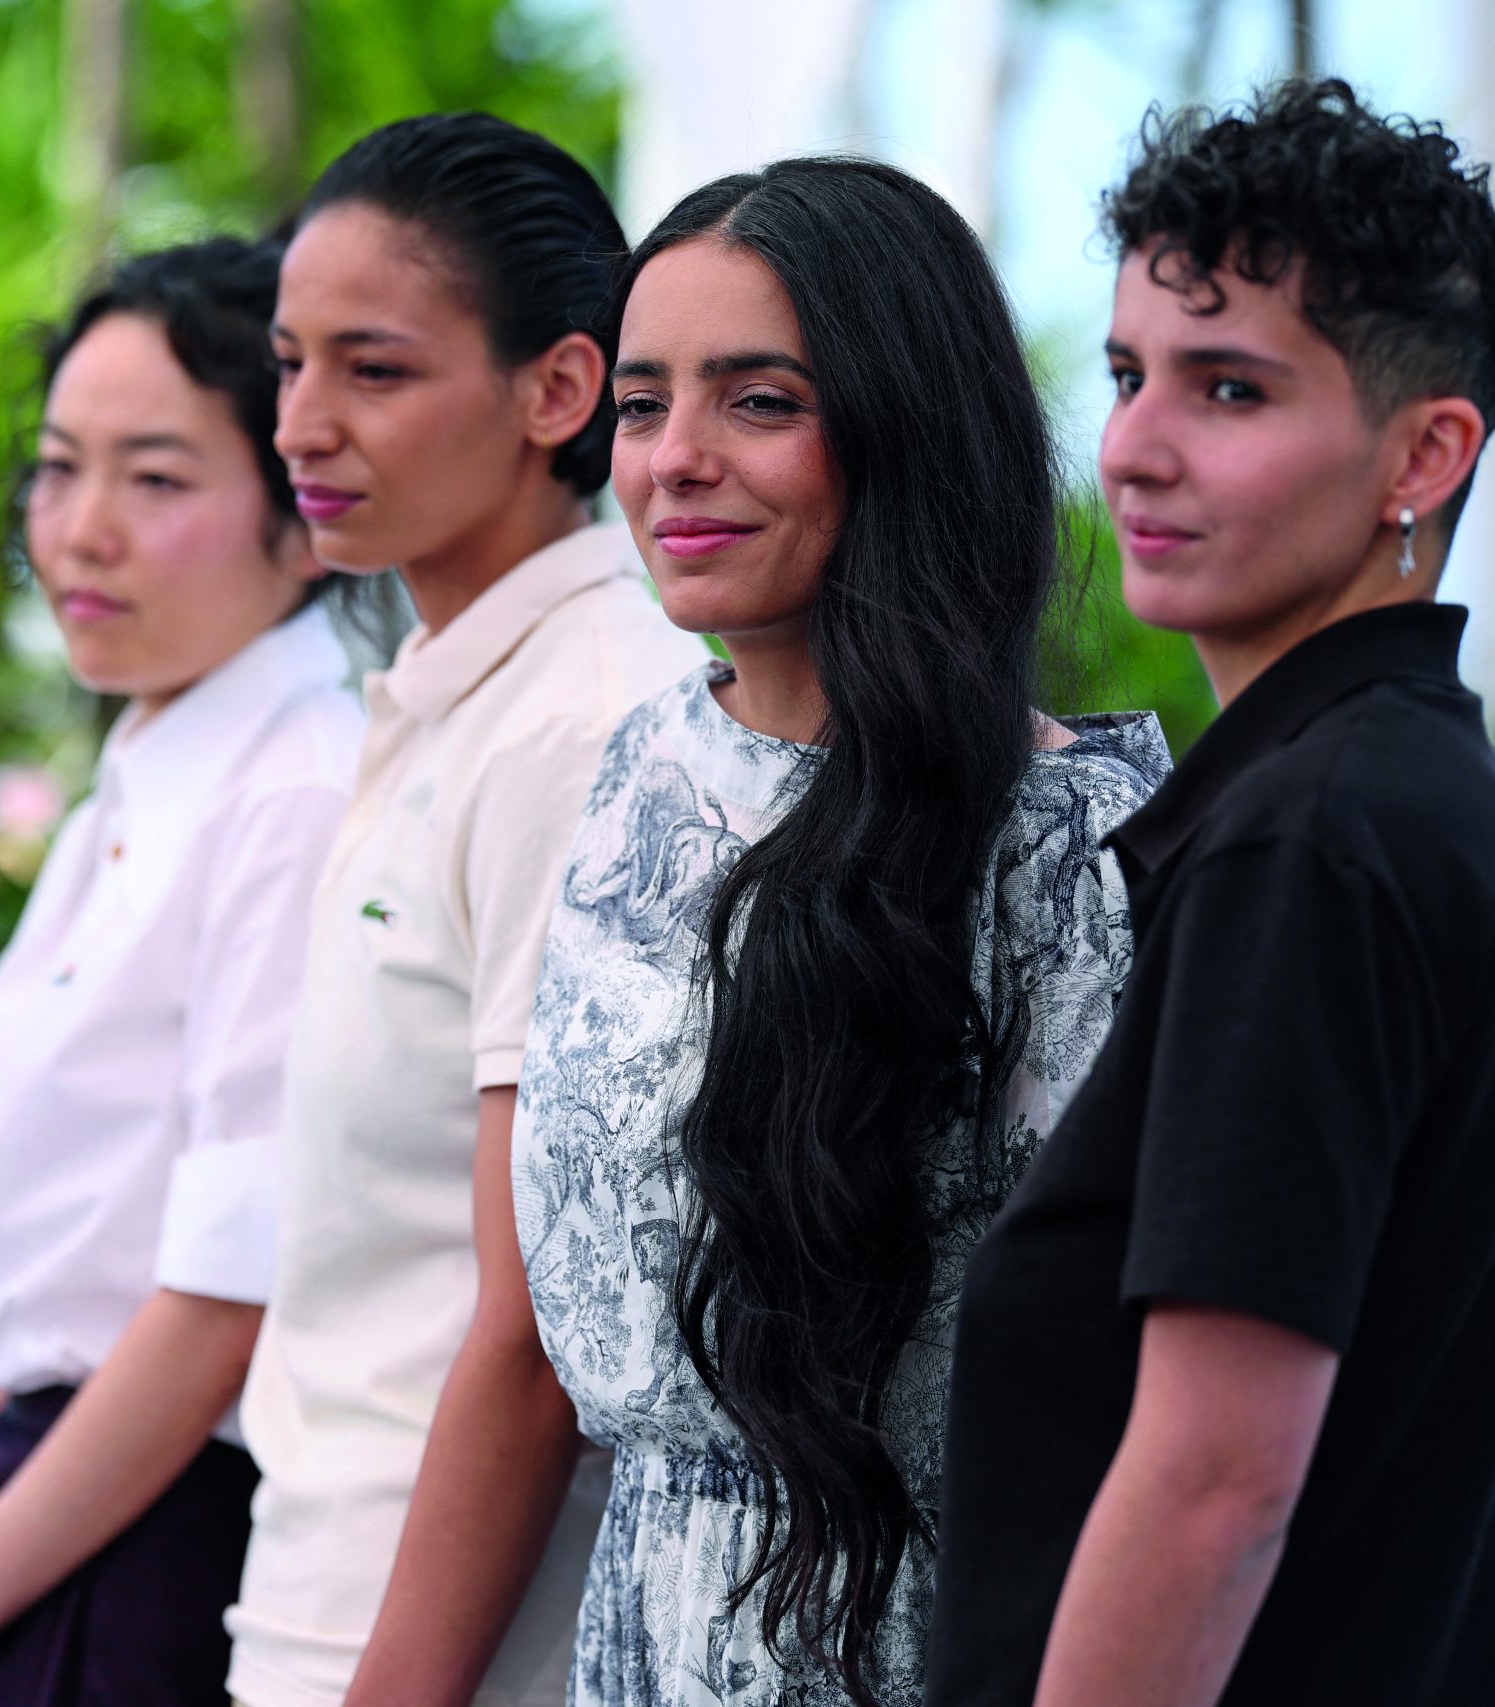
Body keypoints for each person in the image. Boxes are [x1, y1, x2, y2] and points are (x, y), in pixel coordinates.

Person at [929, 78, 1495, 1707]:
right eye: (1127, 374)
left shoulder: (1315, 840)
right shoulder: (1426, 798)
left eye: (1228, 388)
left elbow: (1216, 1485)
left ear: (1424, 453)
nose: (1134, 448)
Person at [511, 158, 1170, 1707]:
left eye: (758, 402)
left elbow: (1117, 1395)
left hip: (919, 1639)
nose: (677, 459)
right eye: (644, 404)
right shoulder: (638, 767)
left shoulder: (1065, 850)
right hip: (632, 1620)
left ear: (906, 427)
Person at [0, 239, 363, 1707]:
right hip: (31, 1497)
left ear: (307, 516)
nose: (79, 532)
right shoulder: (149, 762)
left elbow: (217, 1307)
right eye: (57, 470)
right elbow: (59, 1278)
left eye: (157, 479)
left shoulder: (294, 792)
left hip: (152, 1530)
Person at [226, 114, 712, 1707]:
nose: (301, 423)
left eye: (372, 370)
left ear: (558, 390)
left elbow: (535, 1328)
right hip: (317, 1597)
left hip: (447, 1652)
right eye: (288, 364)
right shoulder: (458, 689)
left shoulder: (582, 718)